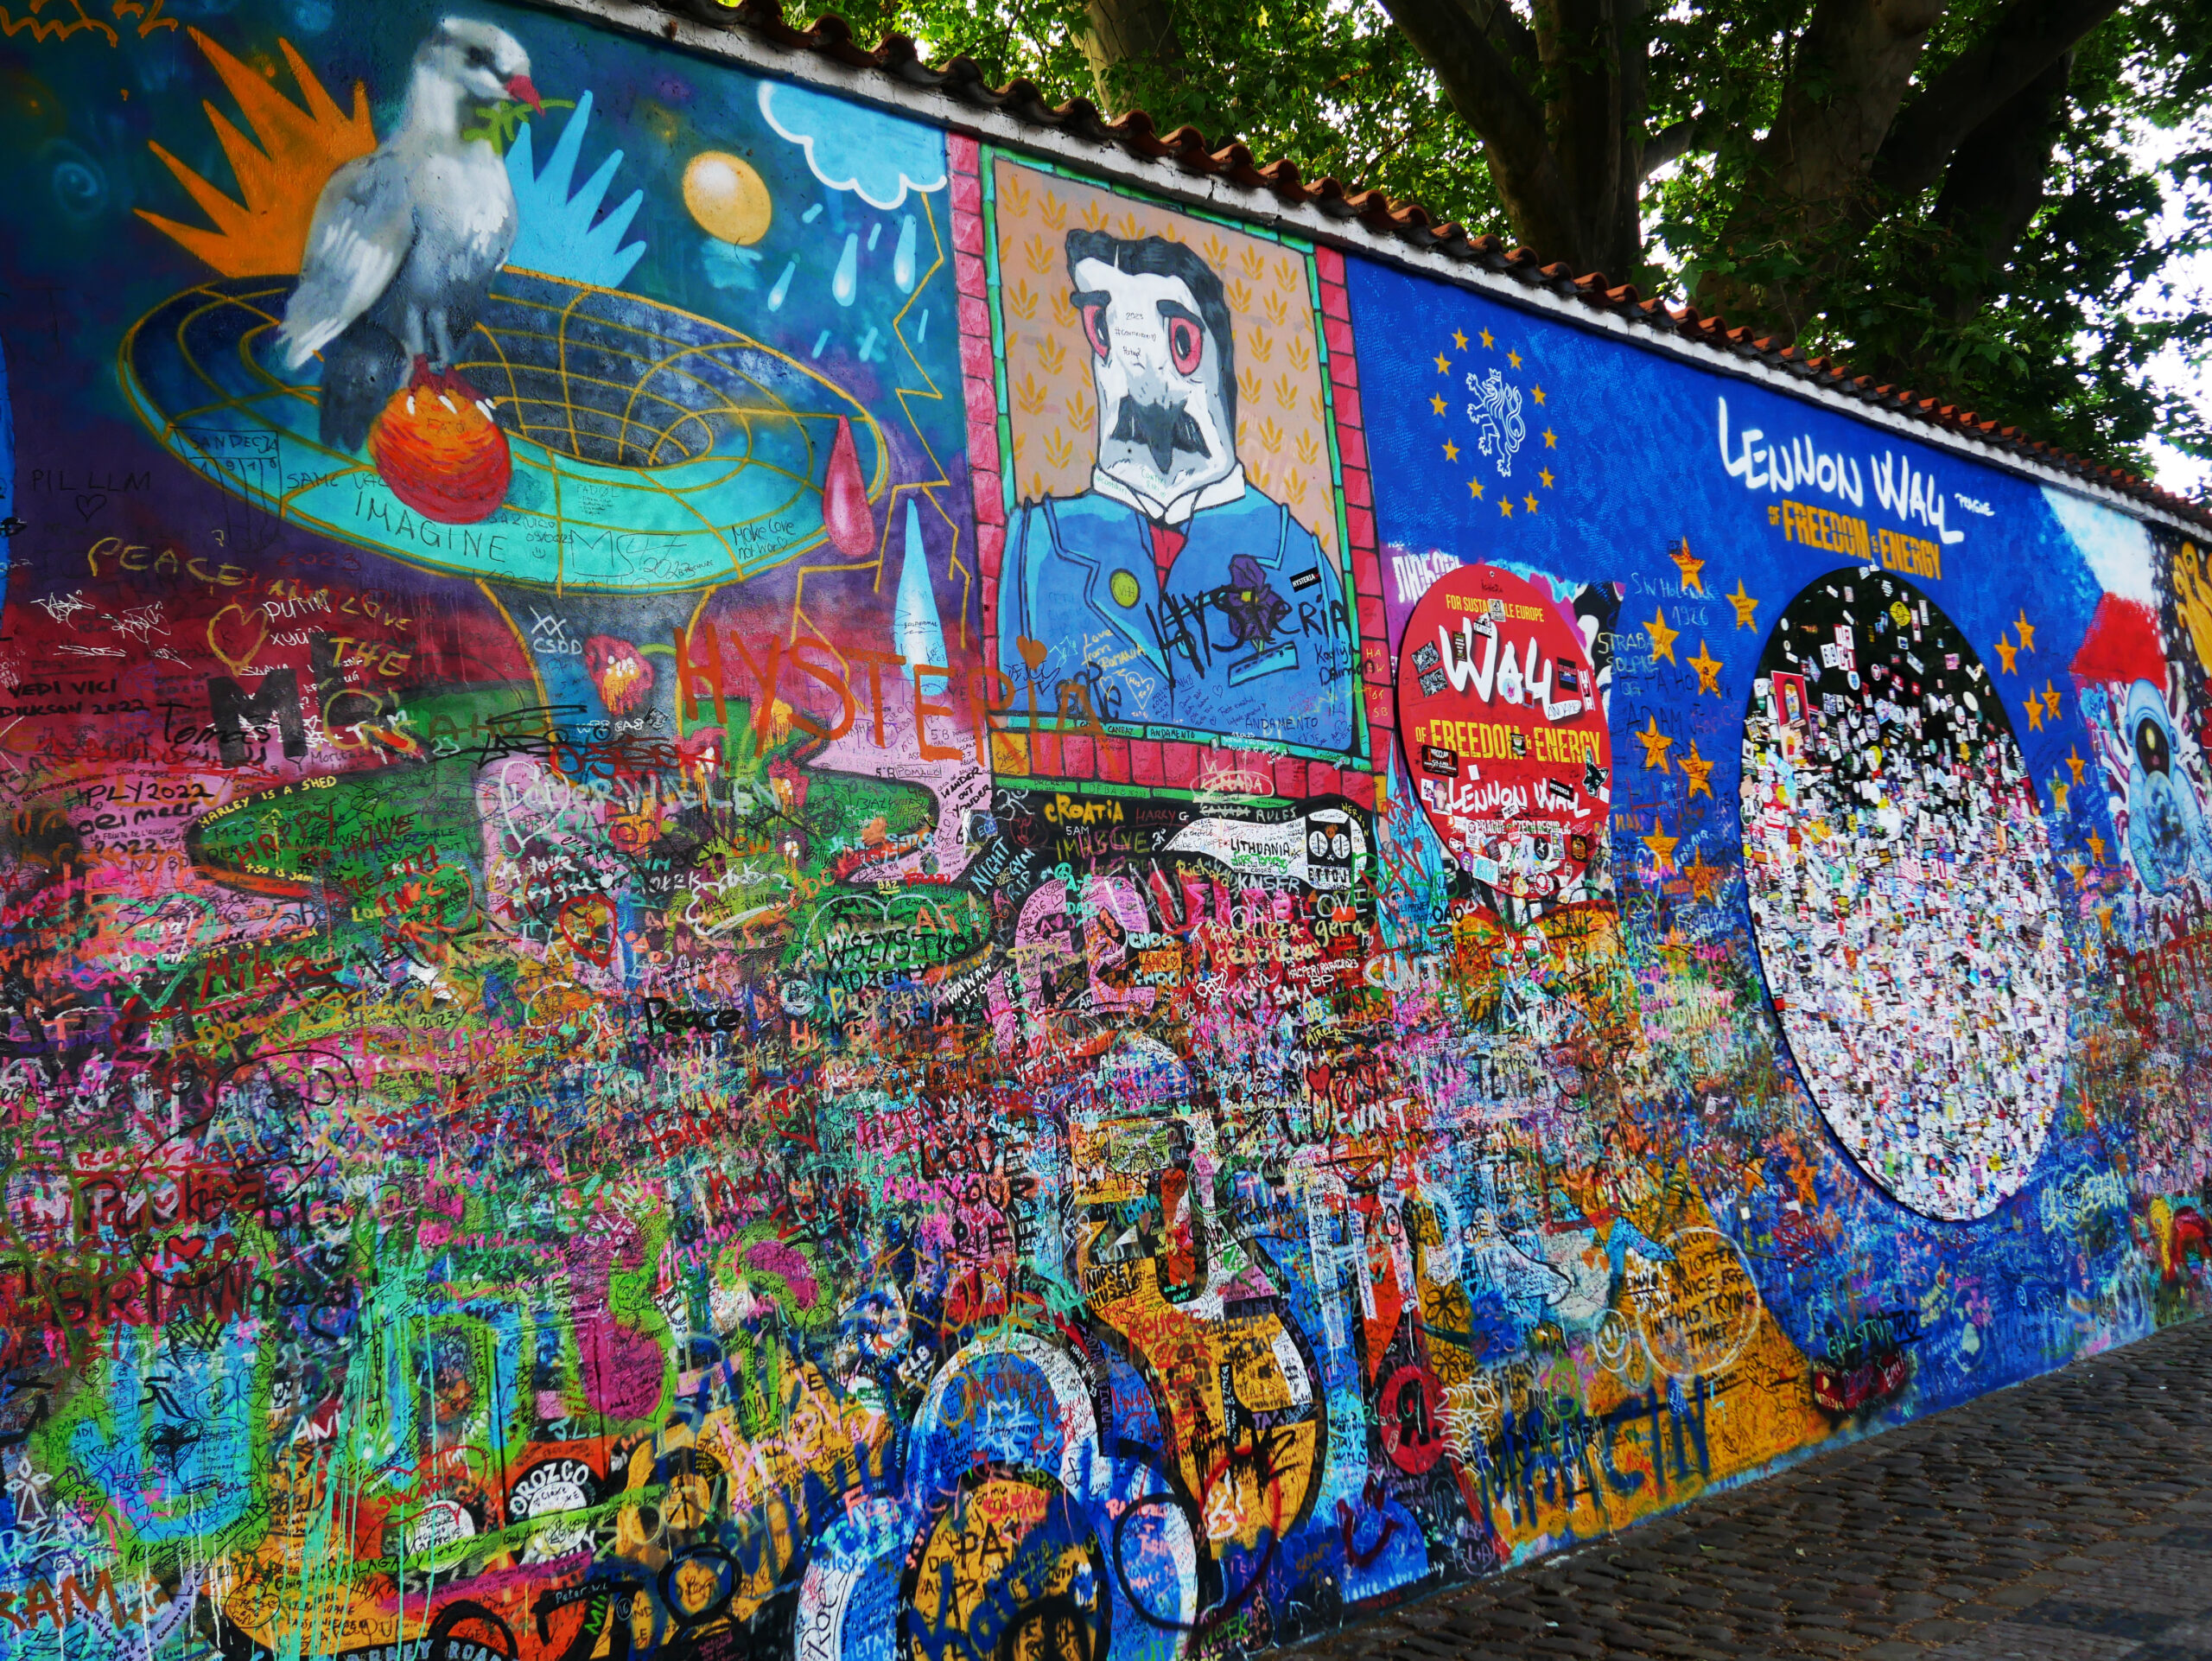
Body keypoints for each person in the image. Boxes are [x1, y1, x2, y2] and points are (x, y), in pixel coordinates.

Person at [996, 229, 1356, 754]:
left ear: (1215, 357)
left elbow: (1335, 740)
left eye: (1180, 343)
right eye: (1104, 333)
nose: (1147, 389)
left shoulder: (1295, 555)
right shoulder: (1038, 545)